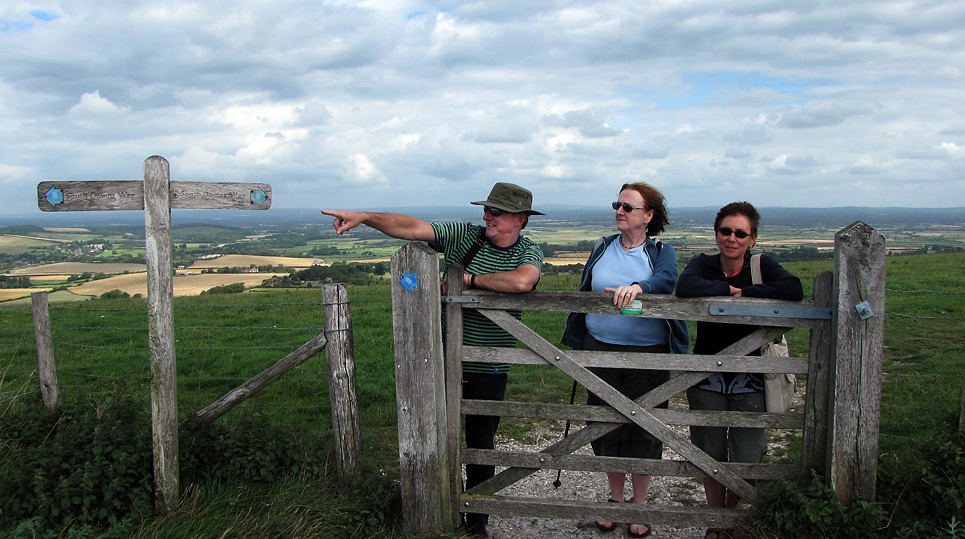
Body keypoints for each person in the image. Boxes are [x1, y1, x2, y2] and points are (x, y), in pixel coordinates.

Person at [322, 182, 544, 538]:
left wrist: (466, 280)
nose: (486, 216)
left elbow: (522, 283)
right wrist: (365, 217)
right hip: (443, 359)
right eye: (487, 209)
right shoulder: (464, 236)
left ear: (520, 220)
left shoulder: (529, 251)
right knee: (437, 435)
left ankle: (477, 520)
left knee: (481, 444)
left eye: (496, 212)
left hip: (489, 366)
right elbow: (410, 227)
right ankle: (440, 507)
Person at [561, 182, 688, 538]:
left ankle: (640, 503)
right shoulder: (602, 246)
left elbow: (666, 279)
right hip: (598, 345)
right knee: (603, 423)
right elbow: (586, 288)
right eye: (618, 204)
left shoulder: (661, 251)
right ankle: (615, 499)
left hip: (647, 354)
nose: (620, 210)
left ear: (648, 216)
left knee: (644, 426)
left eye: (629, 207)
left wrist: (639, 288)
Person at [675, 201, 803, 539]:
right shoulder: (703, 264)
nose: (732, 238)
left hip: (753, 378)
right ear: (716, 234)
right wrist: (725, 290)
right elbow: (685, 286)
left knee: (747, 455)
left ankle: (730, 519)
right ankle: (716, 523)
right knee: (710, 452)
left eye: (740, 233)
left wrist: (743, 293)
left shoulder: (762, 265)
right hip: (707, 376)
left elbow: (793, 288)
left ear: (752, 239)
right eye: (725, 231)